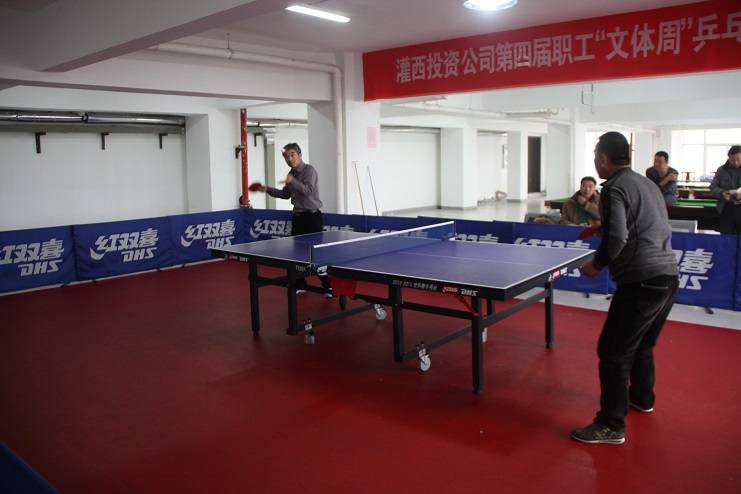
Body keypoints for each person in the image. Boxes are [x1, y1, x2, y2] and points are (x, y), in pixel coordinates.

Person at [571, 132, 679, 445]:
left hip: (641, 280)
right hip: (668, 277)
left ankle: (610, 425)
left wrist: (596, 264)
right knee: (642, 345)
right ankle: (642, 398)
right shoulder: (646, 183)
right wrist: (607, 229)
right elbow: (647, 224)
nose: (595, 161)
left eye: (595, 156)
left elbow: (618, 239)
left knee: (613, 353)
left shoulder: (614, 187)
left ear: (603, 158)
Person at [257, 142, 332, 296]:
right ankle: (300, 283)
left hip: (312, 217)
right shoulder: (291, 174)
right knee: (297, 254)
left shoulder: (309, 170)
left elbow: (308, 191)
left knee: (316, 254)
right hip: (297, 218)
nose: (289, 159)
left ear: (300, 155)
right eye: (286, 156)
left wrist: (293, 181)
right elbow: (285, 194)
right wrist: (268, 189)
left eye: (292, 155)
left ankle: (328, 286)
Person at [709, 145, 741, 235]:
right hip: (726, 207)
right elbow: (713, 186)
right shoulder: (721, 170)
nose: (735, 162)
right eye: (732, 160)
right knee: (726, 236)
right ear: (729, 158)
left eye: (738, 159)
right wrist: (722, 193)